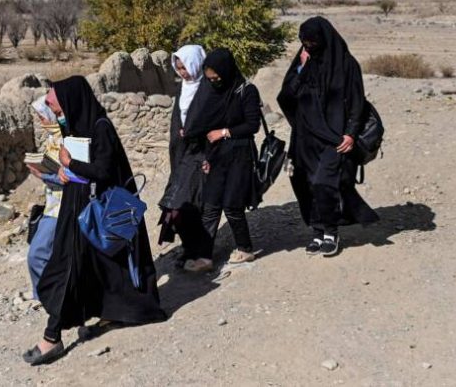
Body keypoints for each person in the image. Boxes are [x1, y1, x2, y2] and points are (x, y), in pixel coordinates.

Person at [23, 76, 166, 366]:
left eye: (60, 110)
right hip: (78, 212)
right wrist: (64, 175)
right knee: (95, 269)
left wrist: (70, 164)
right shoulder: (78, 127)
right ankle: (114, 313)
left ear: (74, 102)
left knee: (68, 270)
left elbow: (102, 171)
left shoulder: (102, 128)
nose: (58, 117)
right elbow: (81, 171)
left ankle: (52, 337)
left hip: (92, 214)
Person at [277, 16, 379, 257]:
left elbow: (356, 103)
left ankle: (331, 231)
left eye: (312, 42)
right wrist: (301, 69)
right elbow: (286, 96)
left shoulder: (346, 65)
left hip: (335, 138)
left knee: (325, 183)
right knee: (304, 184)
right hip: (304, 137)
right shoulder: (303, 63)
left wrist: (351, 134)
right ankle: (317, 229)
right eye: (303, 42)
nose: (308, 46)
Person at [183, 48, 261, 272]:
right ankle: (204, 257)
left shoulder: (246, 91)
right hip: (217, 156)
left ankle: (245, 249)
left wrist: (224, 132)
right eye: (210, 79)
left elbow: (251, 125)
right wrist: (207, 156)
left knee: (232, 205)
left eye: (217, 78)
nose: (214, 82)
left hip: (240, 154)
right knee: (211, 205)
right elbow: (204, 126)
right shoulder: (213, 93)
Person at [157, 45, 208, 269]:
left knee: (190, 205)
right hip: (181, 154)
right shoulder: (182, 89)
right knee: (174, 206)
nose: (183, 73)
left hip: (200, 154)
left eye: (185, 67)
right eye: (178, 69)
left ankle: (200, 252)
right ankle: (189, 248)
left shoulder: (207, 88)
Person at [25, 96, 64, 299]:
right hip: (52, 204)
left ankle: (49, 297)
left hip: (61, 208)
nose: (41, 121)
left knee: (36, 254)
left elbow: (70, 178)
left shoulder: (66, 138)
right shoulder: (51, 139)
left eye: (43, 116)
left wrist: (44, 175)